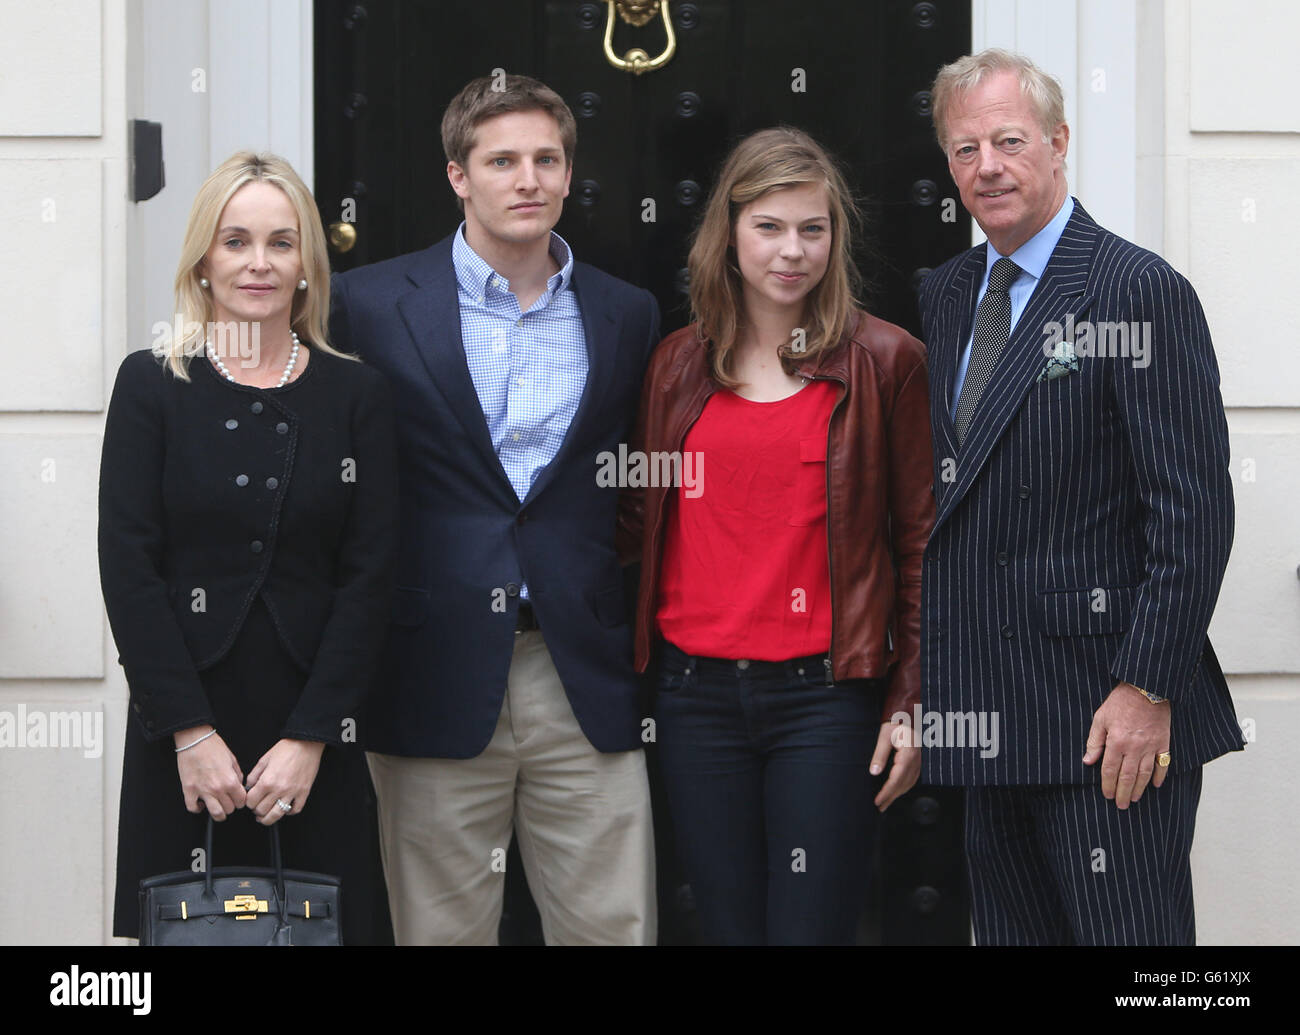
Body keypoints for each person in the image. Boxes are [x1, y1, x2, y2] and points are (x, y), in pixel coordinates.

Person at [918, 49, 1244, 945]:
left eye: (1009, 140)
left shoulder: (1136, 290)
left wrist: (1147, 682)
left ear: (1060, 144)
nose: (987, 165)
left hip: (1108, 721)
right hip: (991, 716)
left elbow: (1194, 513)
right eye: (964, 147)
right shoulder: (945, 297)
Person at [329, 74, 661, 945]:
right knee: (441, 932)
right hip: (430, 669)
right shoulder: (367, 306)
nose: (528, 179)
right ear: (458, 177)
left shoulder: (628, 313)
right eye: (502, 160)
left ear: (567, 172)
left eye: (546, 159)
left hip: (577, 668)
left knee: (611, 926)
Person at [618, 127, 933, 944]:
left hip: (824, 702)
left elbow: (923, 547)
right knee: (724, 928)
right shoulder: (675, 364)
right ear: (729, 233)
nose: (792, 251)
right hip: (694, 702)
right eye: (769, 227)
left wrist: (910, 701)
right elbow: (638, 526)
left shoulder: (886, 361)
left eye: (812, 229)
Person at [99, 151, 397, 945]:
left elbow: (370, 578)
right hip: (184, 732)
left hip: (312, 735)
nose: (258, 263)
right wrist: (189, 735)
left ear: (307, 263)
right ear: (203, 260)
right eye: (235, 241)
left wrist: (311, 738)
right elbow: (129, 568)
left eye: (280, 241)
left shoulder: (357, 395)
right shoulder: (150, 386)